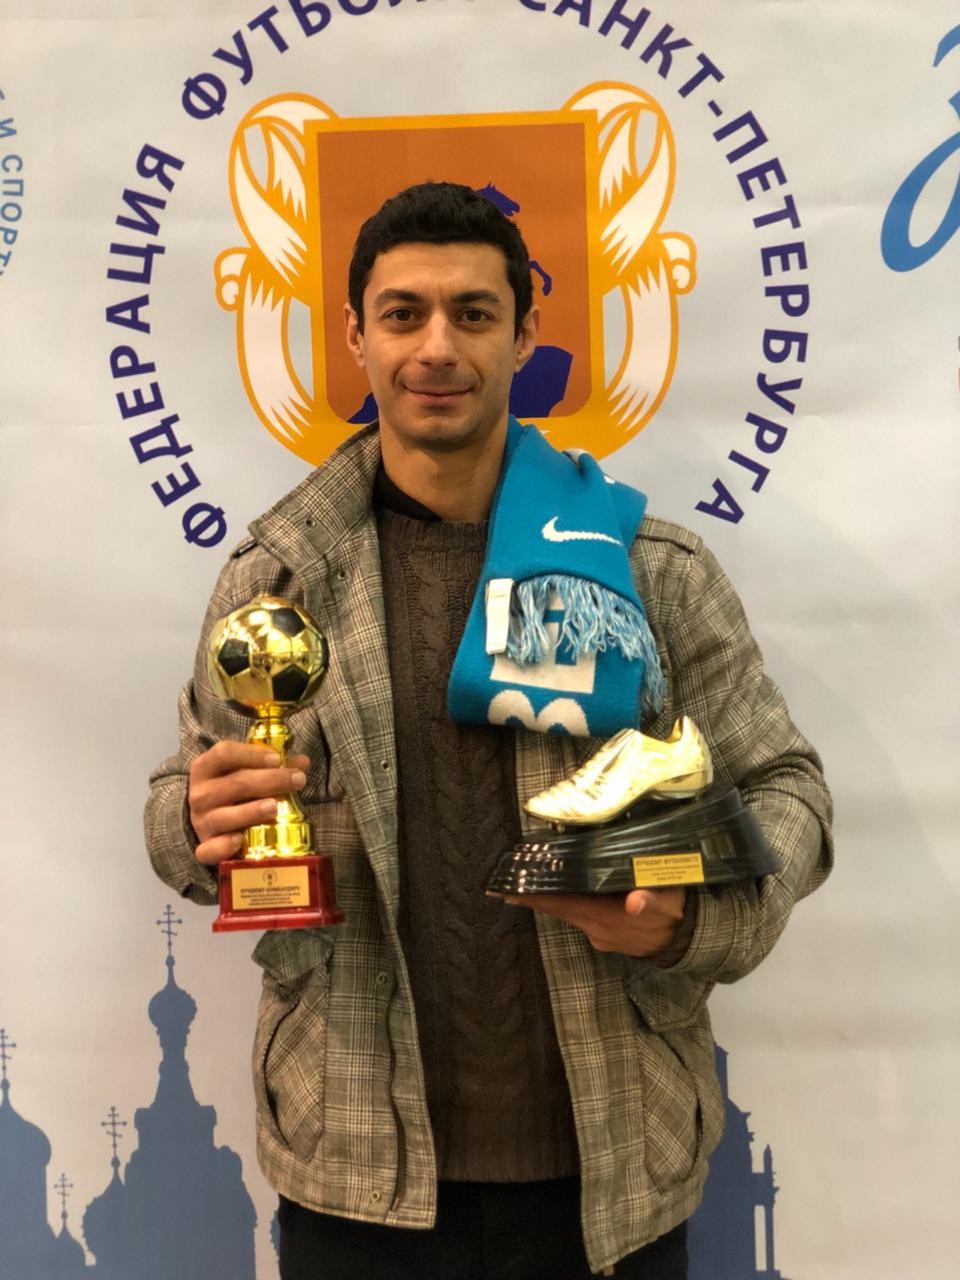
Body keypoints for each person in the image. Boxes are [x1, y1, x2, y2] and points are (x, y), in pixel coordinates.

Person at [145, 182, 832, 1280]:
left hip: (613, 1168)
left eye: (473, 313)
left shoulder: (649, 567)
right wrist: (195, 821)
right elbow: (182, 813)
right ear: (355, 336)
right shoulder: (277, 581)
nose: (437, 347)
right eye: (403, 313)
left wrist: (690, 918)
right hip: (352, 1166)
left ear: (524, 334)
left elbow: (788, 789)